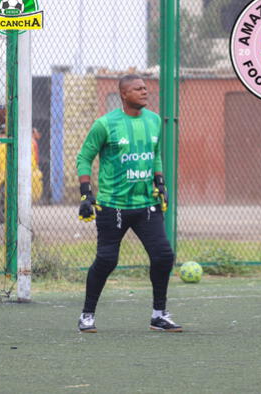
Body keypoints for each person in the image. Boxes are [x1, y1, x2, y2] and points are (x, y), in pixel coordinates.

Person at [76, 74, 180, 333]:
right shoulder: (105, 124)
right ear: (124, 94)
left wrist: (160, 182)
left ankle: (159, 315)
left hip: (146, 204)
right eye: (138, 89)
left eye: (146, 88)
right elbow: (84, 158)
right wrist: (86, 194)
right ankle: (87, 315)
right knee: (107, 260)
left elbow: (154, 154)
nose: (145, 92)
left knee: (164, 256)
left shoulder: (154, 121)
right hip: (113, 205)